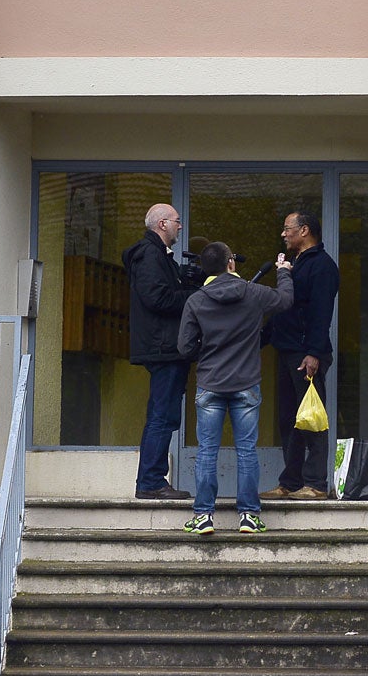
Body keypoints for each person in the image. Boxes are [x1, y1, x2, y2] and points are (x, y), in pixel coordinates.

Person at [176, 242, 294, 534]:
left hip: (210, 383)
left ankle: (203, 515)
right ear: (231, 263)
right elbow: (285, 301)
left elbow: (184, 347)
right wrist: (283, 272)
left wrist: (205, 352)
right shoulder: (253, 294)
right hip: (246, 384)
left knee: (206, 452)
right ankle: (249, 515)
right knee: (246, 452)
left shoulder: (196, 300)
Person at [262, 209, 340, 500]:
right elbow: (285, 309)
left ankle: (316, 484)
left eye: (287, 228)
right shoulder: (296, 264)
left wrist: (313, 353)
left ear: (304, 230)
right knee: (289, 419)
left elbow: (321, 313)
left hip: (305, 354)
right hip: (288, 350)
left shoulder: (322, 266)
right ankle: (291, 482)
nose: (283, 234)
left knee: (311, 418)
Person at [122, 202, 197, 501]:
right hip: (164, 347)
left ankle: (151, 478)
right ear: (162, 224)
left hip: (164, 346)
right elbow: (157, 298)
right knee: (162, 415)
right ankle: (152, 480)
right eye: (177, 221)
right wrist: (195, 296)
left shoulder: (155, 256)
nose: (180, 226)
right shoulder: (150, 255)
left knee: (163, 414)